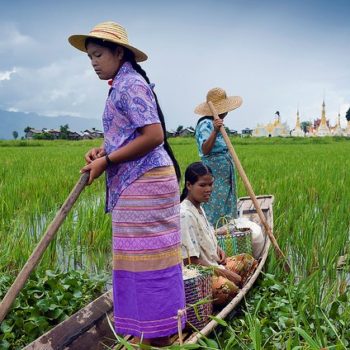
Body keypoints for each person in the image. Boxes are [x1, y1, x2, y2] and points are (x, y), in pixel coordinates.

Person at [68, 21, 185, 346]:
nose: (93, 62)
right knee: (137, 259)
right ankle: (149, 329)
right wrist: (103, 150)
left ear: (119, 53)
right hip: (138, 184)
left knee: (152, 259)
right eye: (90, 57)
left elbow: (154, 136)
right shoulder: (122, 84)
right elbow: (130, 134)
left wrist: (108, 161)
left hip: (145, 182)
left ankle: (161, 334)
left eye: (98, 55)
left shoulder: (130, 85)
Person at [180, 162, 257, 305]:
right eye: (202, 185)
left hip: (214, 265)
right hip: (199, 275)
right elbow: (190, 262)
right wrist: (225, 273)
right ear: (189, 185)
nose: (208, 189)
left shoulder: (199, 207)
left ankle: (234, 289)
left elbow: (204, 237)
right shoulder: (185, 214)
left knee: (248, 260)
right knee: (228, 289)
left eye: (210, 184)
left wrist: (217, 249)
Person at [194, 87, 242, 226]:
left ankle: (227, 232)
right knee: (215, 203)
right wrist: (215, 130)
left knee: (227, 201)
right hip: (214, 172)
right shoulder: (206, 124)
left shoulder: (217, 122)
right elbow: (205, 149)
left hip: (224, 174)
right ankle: (215, 234)